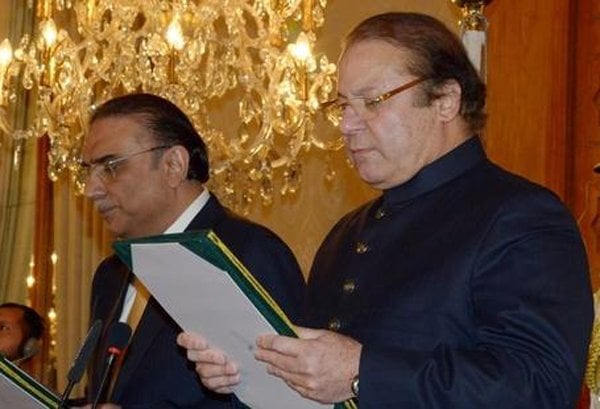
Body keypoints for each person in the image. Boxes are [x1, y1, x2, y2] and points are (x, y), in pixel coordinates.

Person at [177, 12, 594, 408]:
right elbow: (317, 386)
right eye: (342, 106)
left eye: (372, 101)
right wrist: (247, 374)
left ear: (446, 99)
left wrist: (361, 372)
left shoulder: (520, 216)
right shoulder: (345, 233)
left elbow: (541, 385)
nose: (346, 126)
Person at [79, 93, 306, 408]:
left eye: (111, 166)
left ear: (173, 164)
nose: (91, 189)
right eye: (87, 171)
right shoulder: (110, 275)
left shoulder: (249, 254)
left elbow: (288, 401)